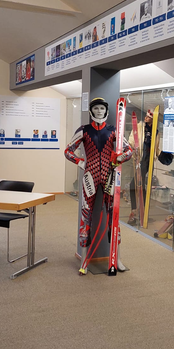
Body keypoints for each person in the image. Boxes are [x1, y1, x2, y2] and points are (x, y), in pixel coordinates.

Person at [64, 97, 132, 274]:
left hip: (109, 175)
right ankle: (84, 260)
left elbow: (129, 150)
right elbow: (68, 151)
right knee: (86, 215)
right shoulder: (84, 130)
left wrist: (119, 158)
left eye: (102, 108)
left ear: (106, 110)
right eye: (96, 108)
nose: (99, 111)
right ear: (91, 111)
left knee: (113, 217)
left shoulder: (113, 130)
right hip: (90, 176)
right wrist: (80, 162)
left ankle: (117, 259)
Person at [127, 110, 158, 225]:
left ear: (153, 119)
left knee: (143, 186)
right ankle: (136, 211)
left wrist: (161, 156)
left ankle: (141, 213)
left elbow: (156, 147)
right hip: (139, 159)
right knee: (135, 185)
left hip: (148, 161)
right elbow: (131, 141)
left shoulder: (155, 131)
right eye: (146, 116)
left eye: (149, 117)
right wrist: (131, 150)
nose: (146, 118)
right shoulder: (139, 127)